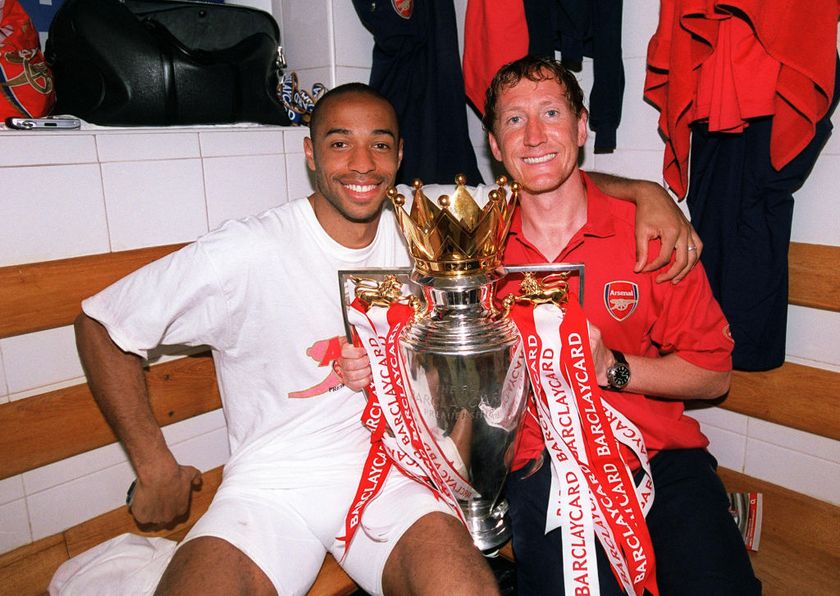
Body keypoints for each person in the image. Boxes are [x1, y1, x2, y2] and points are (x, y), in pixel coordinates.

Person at [75, 82, 698, 595]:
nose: (361, 164)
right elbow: (101, 324)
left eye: (379, 146)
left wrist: (650, 192)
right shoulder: (248, 248)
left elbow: (539, 181)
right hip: (273, 482)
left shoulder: (422, 220)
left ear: (399, 158)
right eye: (339, 144)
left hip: (398, 470)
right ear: (310, 154)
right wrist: (154, 463)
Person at [483, 56, 760, 594]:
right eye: (514, 120)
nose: (535, 134)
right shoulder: (476, 249)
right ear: (495, 144)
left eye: (551, 113)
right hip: (545, 469)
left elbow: (713, 376)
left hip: (660, 458)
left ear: (582, 126)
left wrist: (611, 369)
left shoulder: (652, 235)